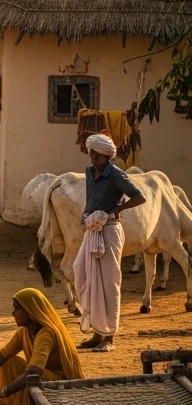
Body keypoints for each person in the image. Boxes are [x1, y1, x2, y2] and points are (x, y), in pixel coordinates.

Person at [73, 132, 145, 352]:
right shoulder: (89, 172)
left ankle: (109, 337)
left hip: (110, 230)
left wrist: (119, 208)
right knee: (83, 272)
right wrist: (86, 217)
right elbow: (90, 199)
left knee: (108, 282)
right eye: (91, 156)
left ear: (107, 157)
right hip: (93, 229)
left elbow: (139, 196)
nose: (93, 160)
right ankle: (96, 332)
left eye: (97, 157)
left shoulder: (116, 174)